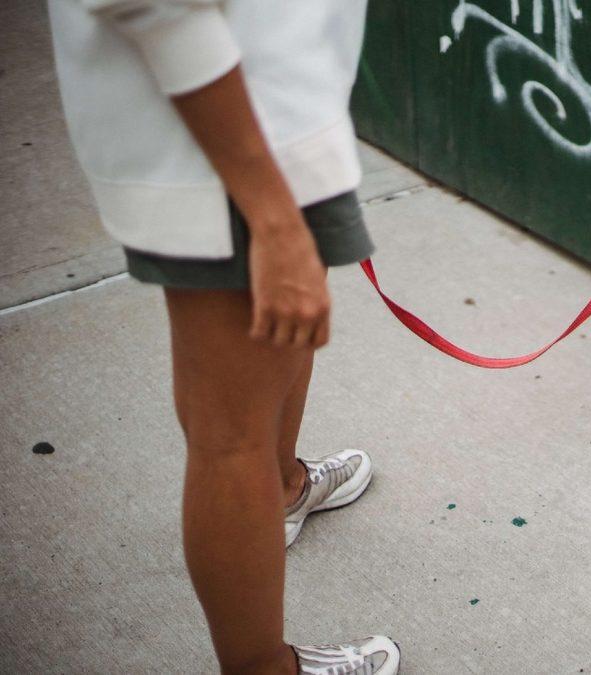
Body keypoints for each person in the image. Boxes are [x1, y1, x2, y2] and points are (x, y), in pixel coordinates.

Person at [48, 0, 400, 672]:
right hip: (221, 141)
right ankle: (263, 666)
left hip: (279, 115)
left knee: (287, 336)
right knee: (229, 430)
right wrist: (269, 212)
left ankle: (285, 486)